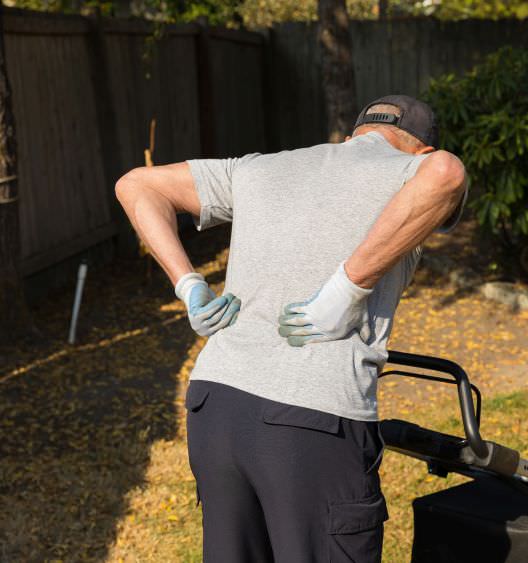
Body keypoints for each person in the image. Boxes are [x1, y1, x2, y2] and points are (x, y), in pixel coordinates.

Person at [115, 95, 467, 563]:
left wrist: (189, 284)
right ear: (421, 149)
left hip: (215, 406)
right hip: (312, 417)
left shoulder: (262, 167)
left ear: (353, 136)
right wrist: (347, 287)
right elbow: (448, 175)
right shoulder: (413, 170)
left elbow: (136, 184)